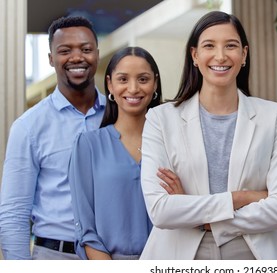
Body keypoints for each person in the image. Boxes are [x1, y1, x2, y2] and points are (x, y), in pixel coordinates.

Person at [139, 11, 277, 260]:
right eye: (209, 46)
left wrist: (205, 218)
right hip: (179, 254)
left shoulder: (274, 116)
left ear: (244, 55)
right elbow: (160, 210)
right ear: (195, 55)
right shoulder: (161, 119)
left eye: (231, 46)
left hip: (253, 252)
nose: (221, 56)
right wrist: (242, 197)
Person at [0, 16, 105, 260]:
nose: (77, 57)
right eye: (65, 50)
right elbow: (14, 212)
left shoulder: (120, 115)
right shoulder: (28, 127)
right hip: (55, 257)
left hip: (117, 256)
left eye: (86, 49)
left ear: (97, 54)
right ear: (50, 59)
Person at [68, 47, 161, 260]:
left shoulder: (172, 143)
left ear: (155, 83)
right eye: (123, 79)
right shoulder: (88, 145)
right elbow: (86, 229)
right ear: (110, 84)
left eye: (143, 79)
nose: (133, 88)